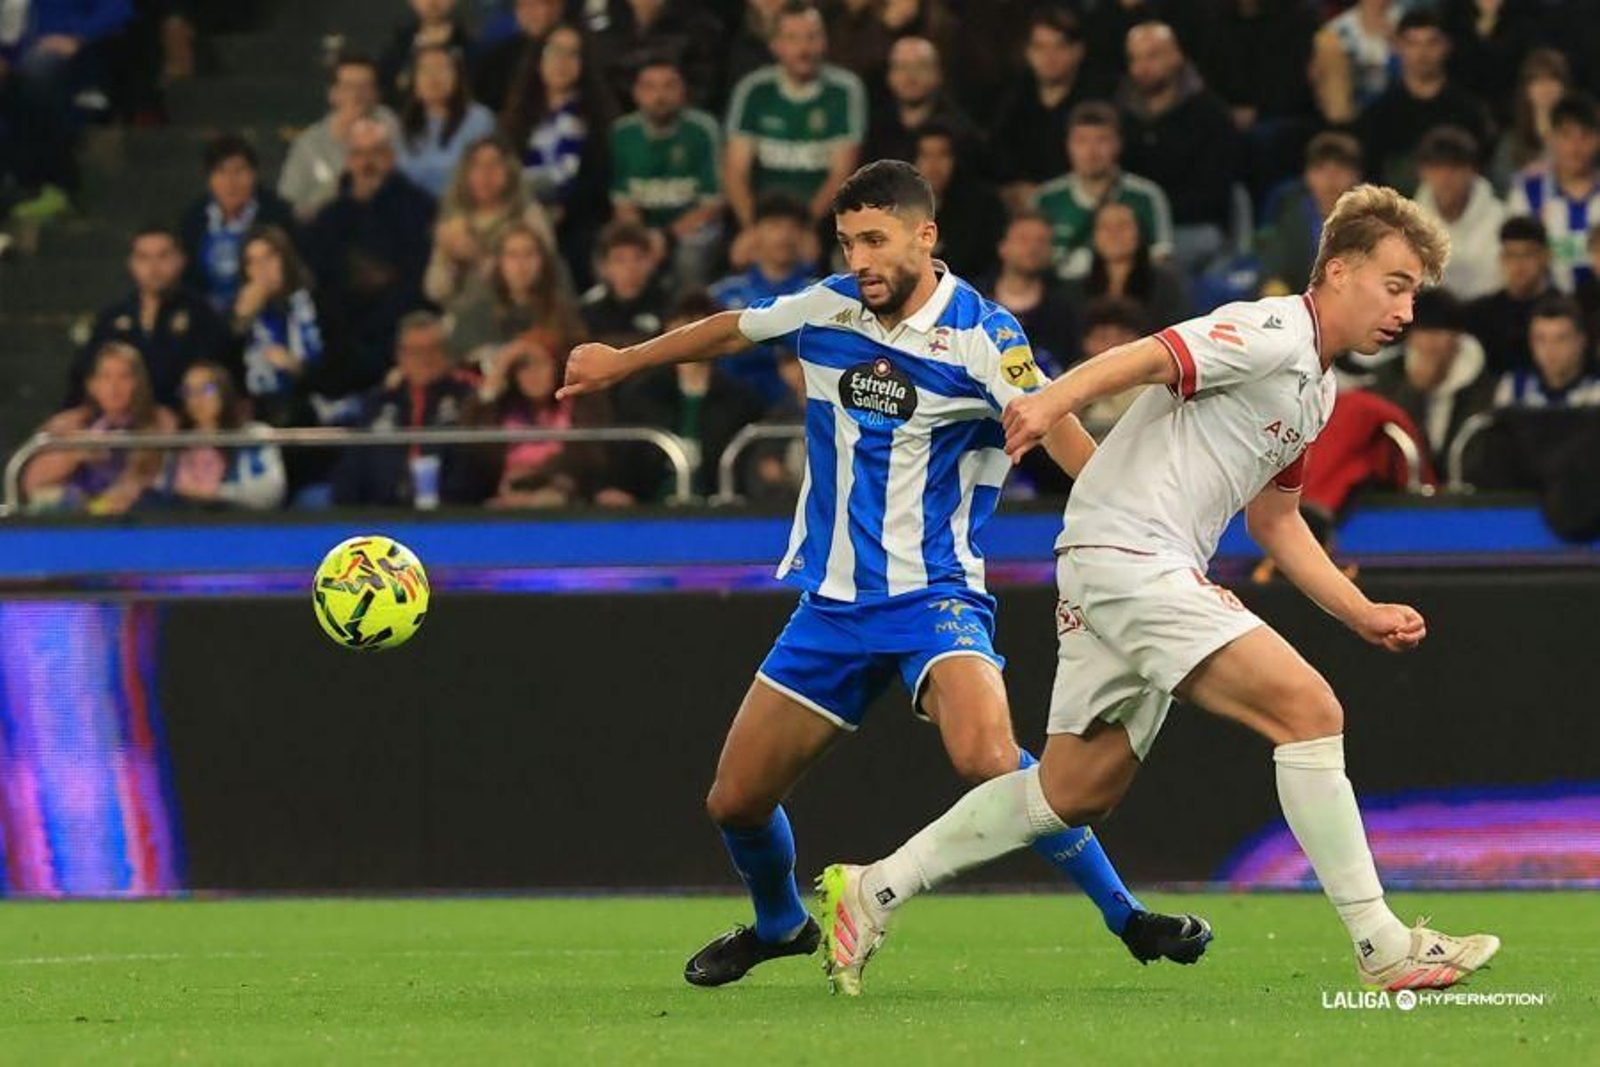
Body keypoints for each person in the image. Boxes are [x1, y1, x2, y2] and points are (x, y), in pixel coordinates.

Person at [817, 184, 1501, 996]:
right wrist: (1049, 402)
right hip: (1131, 552)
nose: (1407, 310)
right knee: (1309, 711)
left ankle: (874, 887)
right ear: (1341, 270)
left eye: (1415, 292)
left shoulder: (1315, 388)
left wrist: (1361, 613)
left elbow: (1277, 521)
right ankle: (1382, 943)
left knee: (1074, 789)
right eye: (1396, 284)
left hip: (1122, 556)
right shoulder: (1272, 329)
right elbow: (1152, 353)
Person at [558, 159, 1210, 990]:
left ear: (924, 236)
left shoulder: (984, 333)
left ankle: (1128, 916)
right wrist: (621, 361)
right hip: (830, 606)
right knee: (734, 802)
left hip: (935, 596)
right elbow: (732, 327)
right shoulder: (827, 308)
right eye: (847, 241)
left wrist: (1134, 530)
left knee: (987, 756)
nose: (859, 258)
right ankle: (781, 924)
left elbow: (1054, 427)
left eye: (875, 239)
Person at [304, 117, 437, 393]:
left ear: (390, 157)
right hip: (341, 340)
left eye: (376, 153)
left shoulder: (420, 208)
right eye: (359, 154)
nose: (367, 163)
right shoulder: (328, 217)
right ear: (348, 159)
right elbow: (320, 281)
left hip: (399, 335)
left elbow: (418, 279)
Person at [724, 2, 866, 239]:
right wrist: (755, 232)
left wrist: (802, 230)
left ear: (825, 42)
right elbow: (735, 172)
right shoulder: (753, 90)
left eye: (812, 37)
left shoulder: (845, 90)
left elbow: (842, 173)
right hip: (759, 222)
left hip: (823, 223)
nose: (804, 48)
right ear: (775, 45)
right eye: (792, 38)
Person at [330, 311, 493, 507]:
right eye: (415, 351)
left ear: (447, 352)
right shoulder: (379, 402)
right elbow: (352, 469)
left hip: (451, 515)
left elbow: (477, 466)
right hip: (379, 517)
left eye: (433, 349)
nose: (425, 359)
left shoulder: (467, 398)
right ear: (400, 355)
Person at [1117, 21, 1238, 275]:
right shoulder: (1120, 114)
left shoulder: (1209, 114)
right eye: (1135, 59)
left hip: (1189, 226)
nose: (1142, 67)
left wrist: (1151, 213)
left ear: (1176, 56)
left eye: (1152, 56)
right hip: (1130, 227)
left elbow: (1212, 194)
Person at [71, 225, 231, 411]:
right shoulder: (112, 319)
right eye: (143, 258)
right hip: (123, 425)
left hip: (185, 426)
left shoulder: (203, 315)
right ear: (131, 264)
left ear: (181, 260)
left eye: (163, 256)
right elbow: (84, 372)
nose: (153, 267)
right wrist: (76, 411)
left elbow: (216, 381)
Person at [608, 56, 724, 288]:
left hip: (694, 228)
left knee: (688, 256)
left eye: (669, 86)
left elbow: (712, 204)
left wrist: (667, 237)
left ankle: (689, 319)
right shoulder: (622, 133)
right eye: (650, 87)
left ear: (683, 90)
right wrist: (643, 240)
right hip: (642, 229)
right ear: (636, 93)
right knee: (614, 256)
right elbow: (622, 203)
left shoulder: (702, 130)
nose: (659, 96)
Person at [25, 342, 179, 513]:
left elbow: (148, 475)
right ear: (92, 385)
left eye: (124, 376)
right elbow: (31, 482)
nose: (114, 386)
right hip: (80, 517)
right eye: (105, 377)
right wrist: (74, 453)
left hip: (137, 517)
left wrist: (121, 493)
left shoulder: (159, 420)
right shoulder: (71, 423)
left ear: (138, 383)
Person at [1034, 101, 1173, 282]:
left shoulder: (1146, 196)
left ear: (1118, 145)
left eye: (1102, 140)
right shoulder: (1046, 199)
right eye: (1081, 141)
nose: (1091, 152)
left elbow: (1161, 259)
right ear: (1068, 145)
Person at [1354, 10, 1491, 191]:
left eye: (1431, 43)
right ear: (1398, 47)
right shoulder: (1377, 115)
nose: (1422, 53)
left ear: (1446, 46)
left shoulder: (1469, 111)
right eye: (1412, 43)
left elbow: (1480, 172)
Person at [709, 191, 818, 408]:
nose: (784, 236)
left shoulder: (819, 293)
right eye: (775, 226)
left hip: (798, 407)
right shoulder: (723, 294)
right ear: (755, 232)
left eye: (793, 228)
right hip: (730, 406)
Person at [1368, 288, 1495, 472]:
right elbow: (1389, 443)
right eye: (1423, 332)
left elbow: (1477, 452)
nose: (1430, 343)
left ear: (1457, 338)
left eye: (1438, 333)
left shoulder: (1482, 385)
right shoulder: (1389, 377)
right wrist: (1414, 390)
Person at [423, 136, 559, 306]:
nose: (485, 174)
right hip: (463, 316)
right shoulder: (455, 221)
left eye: (494, 165)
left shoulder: (528, 215)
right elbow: (435, 291)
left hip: (517, 313)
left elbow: (545, 278)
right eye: (476, 166)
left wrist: (477, 256)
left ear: (510, 171)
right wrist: (449, 259)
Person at [178, 134, 299, 312]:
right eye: (221, 171)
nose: (230, 182)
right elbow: (187, 280)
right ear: (209, 179)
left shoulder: (278, 216)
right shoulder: (193, 220)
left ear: (254, 174)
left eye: (239, 171)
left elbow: (291, 273)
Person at [278, 55, 402, 222]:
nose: (357, 95)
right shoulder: (309, 144)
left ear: (376, 94)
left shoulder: (390, 126)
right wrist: (339, 186)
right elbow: (289, 207)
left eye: (365, 87)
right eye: (349, 86)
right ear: (333, 94)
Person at [447, 220, 585, 369]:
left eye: (529, 254)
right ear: (499, 262)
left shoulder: (563, 311)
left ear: (543, 260)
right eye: (512, 255)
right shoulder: (474, 313)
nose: (521, 264)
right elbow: (462, 362)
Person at [154, 361, 287, 510]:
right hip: (183, 524)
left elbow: (269, 492)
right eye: (188, 391)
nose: (196, 398)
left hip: (238, 523)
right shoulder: (177, 441)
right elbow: (161, 487)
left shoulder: (252, 435)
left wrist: (214, 494)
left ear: (224, 391)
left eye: (206, 389)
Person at [1506, 92, 1600, 294]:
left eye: (1585, 136)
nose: (1576, 147)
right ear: (1551, 137)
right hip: (1540, 306)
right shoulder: (1528, 191)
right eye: (1566, 135)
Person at [1258, 132, 1363, 297]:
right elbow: (1273, 272)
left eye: (1340, 169)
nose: (1331, 179)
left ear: (1355, 177)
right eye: (1321, 169)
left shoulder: (1370, 223)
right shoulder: (1291, 218)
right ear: (1307, 176)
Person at [981, 211, 1080, 376]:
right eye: (1023, 240)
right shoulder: (973, 300)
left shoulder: (1066, 308)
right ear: (1003, 247)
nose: (1033, 248)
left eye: (1042, 241)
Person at [1413, 126, 1505, 303]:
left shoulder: (1500, 218)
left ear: (1472, 170)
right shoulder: (1408, 224)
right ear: (1422, 172)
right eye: (1436, 167)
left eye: (1455, 168)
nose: (1445, 177)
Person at [393, 44, 497, 199]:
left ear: (458, 77)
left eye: (442, 69)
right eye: (425, 70)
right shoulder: (403, 126)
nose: (434, 77)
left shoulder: (479, 119)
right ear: (414, 82)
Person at [1070, 200, 1190, 331]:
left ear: (1139, 233)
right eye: (1105, 227)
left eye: (1123, 226)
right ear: (1094, 237)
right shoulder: (1075, 291)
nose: (1114, 234)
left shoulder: (1166, 284)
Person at [913, 122, 1004, 283]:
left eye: (943, 155)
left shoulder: (984, 207)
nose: (934, 165)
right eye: (925, 155)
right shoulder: (895, 208)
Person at [1463, 216, 1554, 376]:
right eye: (1511, 255)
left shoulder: (1566, 312)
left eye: (1528, 254)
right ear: (1501, 259)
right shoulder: (1478, 315)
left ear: (1545, 257)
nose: (1519, 264)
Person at [1494, 295, 1600, 408]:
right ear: (1530, 342)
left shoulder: (1596, 391)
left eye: (1561, 338)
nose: (1550, 349)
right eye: (1541, 339)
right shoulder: (1513, 388)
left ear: (1581, 341)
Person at [579, 219, 668, 348]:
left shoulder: (667, 305)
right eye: (619, 259)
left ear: (651, 262)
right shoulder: (589, 312)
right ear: (604, 267)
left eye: (638, 257)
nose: (630, 267)